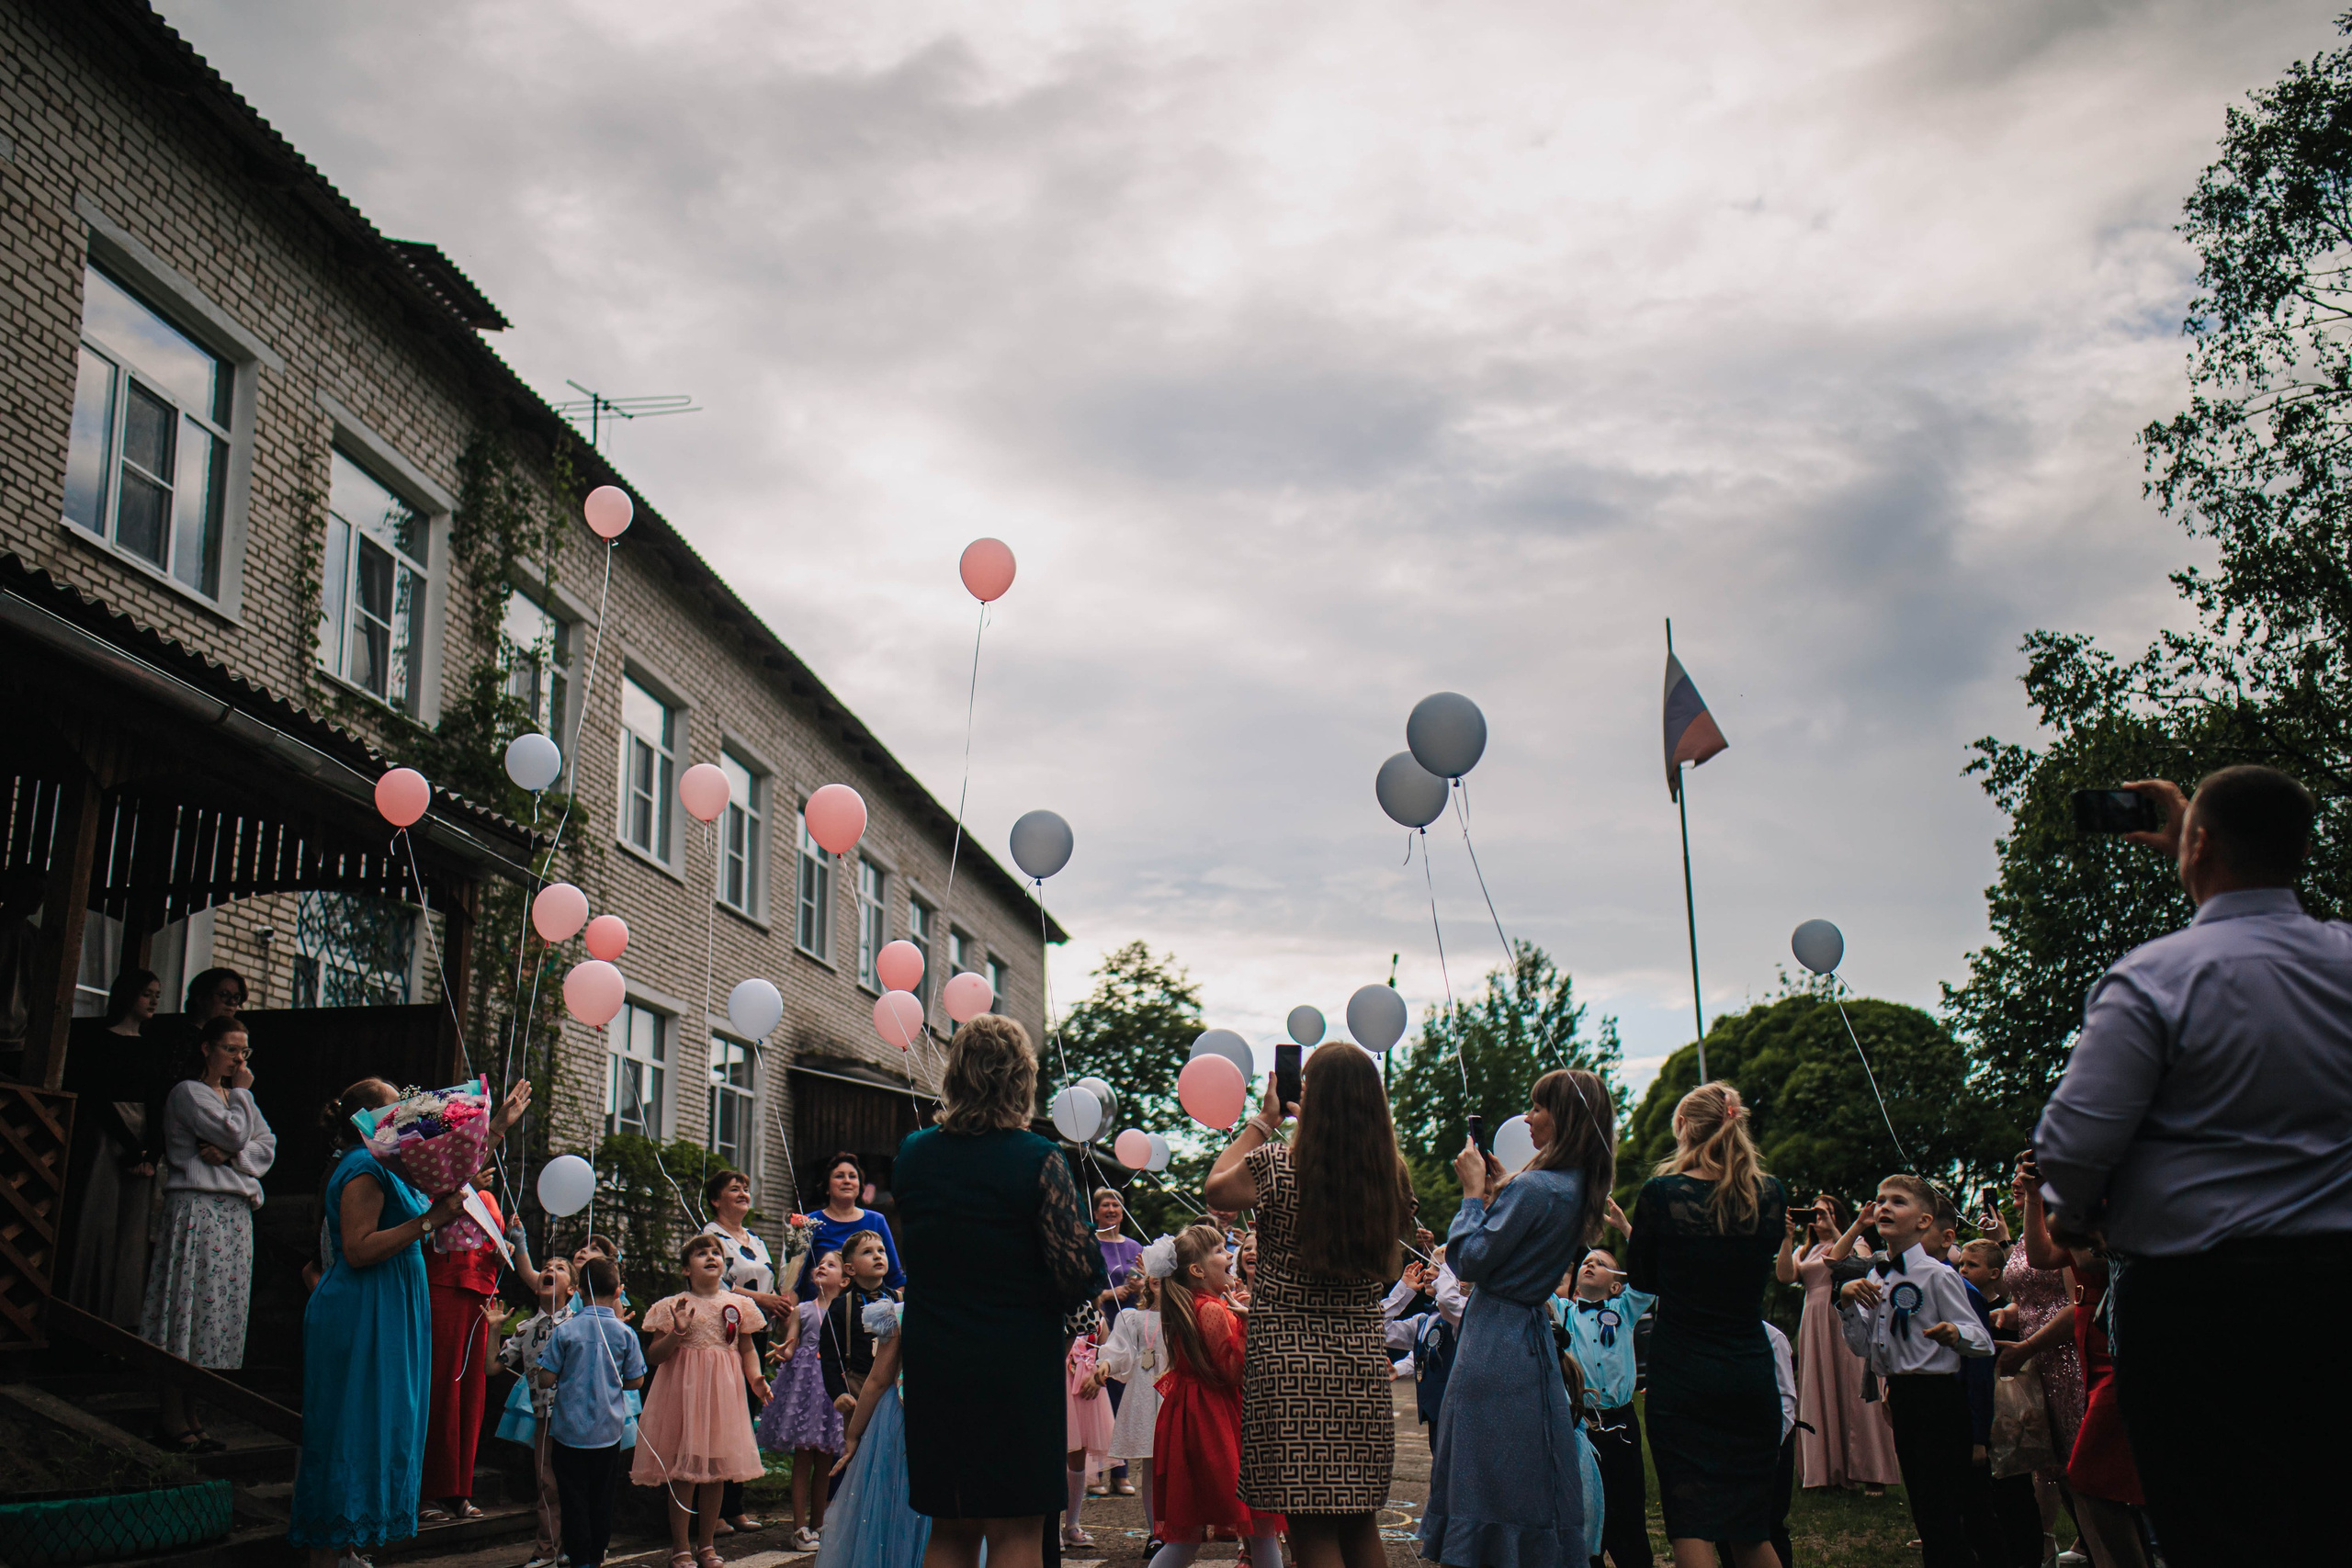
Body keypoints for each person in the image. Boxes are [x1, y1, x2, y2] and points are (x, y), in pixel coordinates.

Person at [2033, 765, 2351, 1567]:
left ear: (2200, 843)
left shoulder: (2155, 978)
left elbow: (2071, 1146)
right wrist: (2203, 846)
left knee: (2217, 1524)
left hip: (2198, 1305)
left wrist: (2074, 1220)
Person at [287, 1074, 528, 1568]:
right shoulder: (362, 1168)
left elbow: (453, 1183)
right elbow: (356, 1250)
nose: (405, 1116)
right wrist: (427, 1223)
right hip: (362, 1311)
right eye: (395, 1109)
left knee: (377, 1428)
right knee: (350, 1433)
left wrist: (497, 1128)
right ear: (368, 1123)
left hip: (391, 1306)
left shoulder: (389, 1164)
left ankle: (347, 1545)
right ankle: (325, 1554)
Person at [891, 1014, 1106, 1568]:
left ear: (956, 1076)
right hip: (1016, 1361)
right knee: (1016, 1530)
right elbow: (1078, 1268)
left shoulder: (914, 1153)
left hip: (937, 1357)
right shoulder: (1037, 1157)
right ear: (1021, 1081)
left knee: (951, 1526)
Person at [1204, 1040, 1410, 1568]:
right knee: (1360, 1519)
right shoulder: (1391, 1175)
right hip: (1361, 1360)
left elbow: (1215, 1191)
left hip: (1290, 1364)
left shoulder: (1277, 1165)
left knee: (1311, 1525)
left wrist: (1264, 1121)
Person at [1420, 1069, 1612, 1568]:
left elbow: (1468, 1259)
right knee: (1521, 1479)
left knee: (1482, 1477)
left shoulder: (1536, 1189)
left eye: (1537, 1107)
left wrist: (1471, 1195)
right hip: (1530, 1345)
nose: (1527, 1118)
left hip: (1494, 1343)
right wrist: (1505, 1189)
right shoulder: (1572, 1186)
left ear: (1563, 1116)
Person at [1624, 1082, 1787, 1568]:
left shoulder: (1663, 1194)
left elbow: (1641, 1276)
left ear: (1682, 1128)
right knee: (1752, 1531)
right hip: (1749, 1370)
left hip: (1683, 1372)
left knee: (1691, 1523)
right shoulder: (1770, 1195)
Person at [1835, 1175, 1994, 1568]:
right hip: (1902, 1399)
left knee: (1942, 1514)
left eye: (1898, 1201)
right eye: (1880, 1199)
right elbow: (1862, 1347)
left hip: (1939, 1398)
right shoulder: (1875, 1276)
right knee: (1923, 1512)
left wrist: (1955, 1333)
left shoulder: (1939, 1276)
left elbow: (1983, 1341)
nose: (1884, 1207)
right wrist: (1846, 1303)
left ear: (1924, 1221)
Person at [141, 1015, 277, 1451]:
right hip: (198, 1209)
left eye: (245, 1052)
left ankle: (195, 1414)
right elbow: (234, 1131)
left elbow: (265, 1145)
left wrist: (234, 1156)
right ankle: (170, 1416)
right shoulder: (190, 1093)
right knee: (187, 1308)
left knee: (215, 1319)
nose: (239, 1059)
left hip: (234, 1214)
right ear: (207, 1049)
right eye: (231, 1049)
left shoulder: (237, 1098)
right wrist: (240, 1104)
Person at [1141, 1225, 1283, 1568]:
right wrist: (1251, 1324)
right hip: (1216, 1419)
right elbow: (1235, 1371)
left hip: (1195, 1414)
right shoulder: (1211, 1308)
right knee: (1261, 1523)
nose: (1230, 1255)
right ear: (1197, 1270)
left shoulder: (1193, 1304)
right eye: (1220, 1251)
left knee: (1189, 1536)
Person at [634, 1234, 773, 1568]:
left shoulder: (739, 1305)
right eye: (701, 1253)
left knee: (716, 1469)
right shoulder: (672, 1306)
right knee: (684, 1471)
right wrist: (677, 1332)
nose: (711, 1257)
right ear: (685, 1268)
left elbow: (747, 1349)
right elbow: (654, 1356)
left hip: (723, 1393)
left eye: (716, 1252)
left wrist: (755, 1378)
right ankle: (681, 1546)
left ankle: (707, 1545)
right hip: (683, 1393)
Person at [64, 967, 167, 1329]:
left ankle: (122, 1319)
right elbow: (95, 1095)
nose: (154, 1000)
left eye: (157, 994)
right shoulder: (98, 1039)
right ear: (127, 995)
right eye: (147, 993)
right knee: (98, 1218)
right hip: (107, 1136)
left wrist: (151, 1152)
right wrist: (128, 1144)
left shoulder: (153, 1046)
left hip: (143, 1141)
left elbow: (157, 1101)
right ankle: (84, 1314)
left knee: (133, 1230)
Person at [1776, 1193, 1899, 1493]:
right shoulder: (1806, 1250)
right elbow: (1785, 1276)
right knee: (1819, 1386)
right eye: (1815, 1213)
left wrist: (1837, 1229)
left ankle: (1872, 1471)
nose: (1819, 1218)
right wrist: (1787, 1237)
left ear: (1837, 1216)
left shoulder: (1852, 1240)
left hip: (1843, 1315)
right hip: (1814, 1321)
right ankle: (1827, 1472)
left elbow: (1854, 1262)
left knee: (1854, 1384)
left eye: (1826, 1212)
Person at [1997, 1153, 2084, 1565]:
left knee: (2076, 1457)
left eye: (2026, 1177)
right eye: (2016, 1176)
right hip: (2035, 1358)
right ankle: (2082, 1541)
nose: (2017, 1182)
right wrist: (2005, 1314)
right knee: (2049, 1460)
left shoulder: (2066, 1231)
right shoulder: (2025, 1235)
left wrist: (2030, 1346)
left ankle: (2108, 1544)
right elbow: (2030, 1295)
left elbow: (2075, 1304)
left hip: (2066, 1354)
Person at [537, 1255, 645, 1568]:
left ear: (578, 1291)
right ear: (618, 1292)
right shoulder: (626, 1334)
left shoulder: (566, 1330)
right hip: (607, 1433)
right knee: (602, 1499)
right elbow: (636, 1381)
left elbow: (546, 1378)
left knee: (572, 1499)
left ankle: (579, 1558)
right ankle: (597, 1556)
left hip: (569, 1432)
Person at [1555, 1244, 1656, 1568]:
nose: (1590, 1264)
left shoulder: (1625, 1309)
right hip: (1582, 1427)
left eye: (1601, 1263)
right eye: (1586, 1261)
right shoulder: (1564, 1312)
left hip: (1622, 1424)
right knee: (1585, 1513)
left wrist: (1631, 1234)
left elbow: (1650, 1277)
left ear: (1616, 1285)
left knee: (1627, 1511)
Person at [700, 1168, 790, 1535]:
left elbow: (771, 1278)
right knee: (722, 1421)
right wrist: (763, 1299)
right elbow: (719, 1282)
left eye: (746, 1187)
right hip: (723, 1336)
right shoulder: (711, 1234)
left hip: (754, 1335)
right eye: (733, 1188)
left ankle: (735, 1506)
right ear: (715, 1200)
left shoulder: (754, 1238)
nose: (742, 1192)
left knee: (743, 1420)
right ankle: (712, 1512)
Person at [421, 1163, 505, 1522]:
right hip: (442, 1290)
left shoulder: (486, 1197)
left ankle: (459, 1490)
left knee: (471, 1397)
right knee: (439, 1392)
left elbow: (495, 1247)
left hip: (480, 1298)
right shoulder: (429, 1189)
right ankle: (426, 1490)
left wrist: (503, 1253)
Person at [822, 1294, 930, 1568]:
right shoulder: (974, 1310)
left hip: (900, 1421)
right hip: (946, 1419)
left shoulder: (901, 1314)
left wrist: (853, 1434)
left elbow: (878, 1380)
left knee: (894, 1505)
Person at [762, 1247, 847, 1550]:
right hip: (805, 1389)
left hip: (832, 1387)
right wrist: (783, 1351)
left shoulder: (846, 1311)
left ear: (845, 1279)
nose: (822, 1267)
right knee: (803, 1458)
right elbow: (791, 1343)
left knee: (826, 1461)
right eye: (820, 1264)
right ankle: (799, 1527)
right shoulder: (803, 1310)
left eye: (831, 1265)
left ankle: (818, 1524)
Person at [498, 1256, 574, 1568]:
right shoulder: (525, 1329)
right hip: (543, 1416)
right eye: (546, 1267)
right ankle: (547, 1549)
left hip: (577, 1418)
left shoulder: (581, 1324)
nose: (549, 1270)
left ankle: (578, 1544)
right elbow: (494, 1366)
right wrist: (493, 1330)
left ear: (573, 1289)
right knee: (547, 1483)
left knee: (576, 1482)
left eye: (560, 1268)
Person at [1095, 1265, 1165, 1552]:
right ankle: (1156, 1531)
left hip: (1176, 1390)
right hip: (1146, 1394)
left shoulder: (1185, 1315)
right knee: (1151, 1465)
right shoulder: (1134, 1318)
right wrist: (1107, 1363)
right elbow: (1121, 1347)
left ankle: (1183, 1525)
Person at [1090, 1188, 1142, 1498]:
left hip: (1130, 1331)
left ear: (1122, 1212)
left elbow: (1147, 1280)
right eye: (1105, 1205)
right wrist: (1110, 1295)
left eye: (1116, 1205)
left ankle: (1120, 1473)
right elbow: (1084, 1286)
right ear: (1096, 1213)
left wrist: (1139, 1284)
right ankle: (1094, 1472)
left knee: (1123, 1400)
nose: (1111, 1209)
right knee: (1097, 1400)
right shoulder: (1090, 1244)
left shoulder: (1134, 1245)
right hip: (1099, 1328)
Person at [793, 1153, 905, 1296]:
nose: (847, 1181)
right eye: (839, 1176)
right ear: (826, 1187)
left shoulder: (877, 1221)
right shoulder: (808, 1223)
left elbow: (895, 1278)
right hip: (818, 1311)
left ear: (860, 1186)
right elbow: (794, 1280)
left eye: (852, 1176)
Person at [1062, 1316, 1112, 1546]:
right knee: (1055, 1453)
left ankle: (1072, 1523)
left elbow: (1108, 1355)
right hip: (1061, 1388)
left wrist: (1098, 1378)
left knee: (1078, 1455)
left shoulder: (1097, 1321)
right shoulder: (1058, 1314)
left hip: (1086, 1392)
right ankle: (1049, 1527)